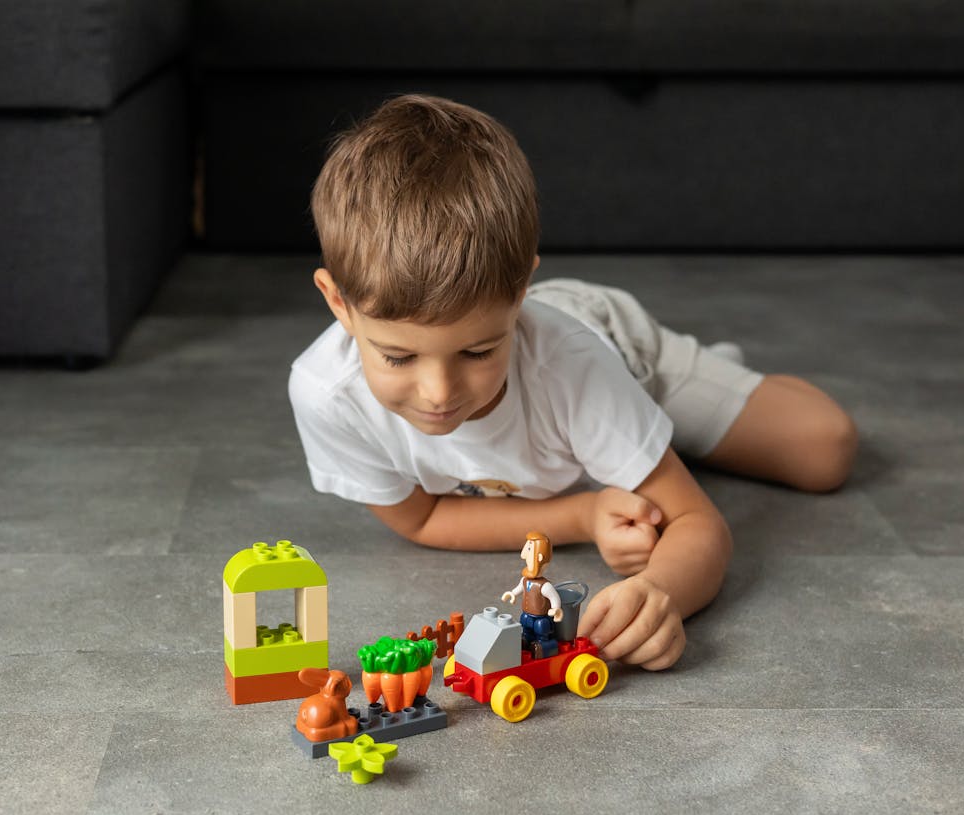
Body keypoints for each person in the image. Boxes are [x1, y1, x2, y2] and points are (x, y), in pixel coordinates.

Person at [289, 94, 857, 671]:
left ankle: (687, 393)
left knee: (823, 451)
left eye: (478, 351)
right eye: (398, 357)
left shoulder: (573, 366)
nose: (439, 393)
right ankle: (635, 438)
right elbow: (423, 518)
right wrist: (584, 515)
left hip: (625, 352)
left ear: (520, 294)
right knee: (634, 454)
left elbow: (697, 523)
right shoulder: (326, 394)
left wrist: (661, 591)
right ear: (338, 302)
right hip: (580, 392)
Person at [502, 531, 564, 660]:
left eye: (529, 548)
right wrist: (512, 594)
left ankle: (543, 646)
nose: (523, 555)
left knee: (542, 632)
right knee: (526, 631)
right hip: (527, 615)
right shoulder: (525, 580)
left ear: (539, 557)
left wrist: (556, 609)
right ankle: (526, 641)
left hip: (541, 618)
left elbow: (554, 597)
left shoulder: (545, 586)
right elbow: (520, 588)